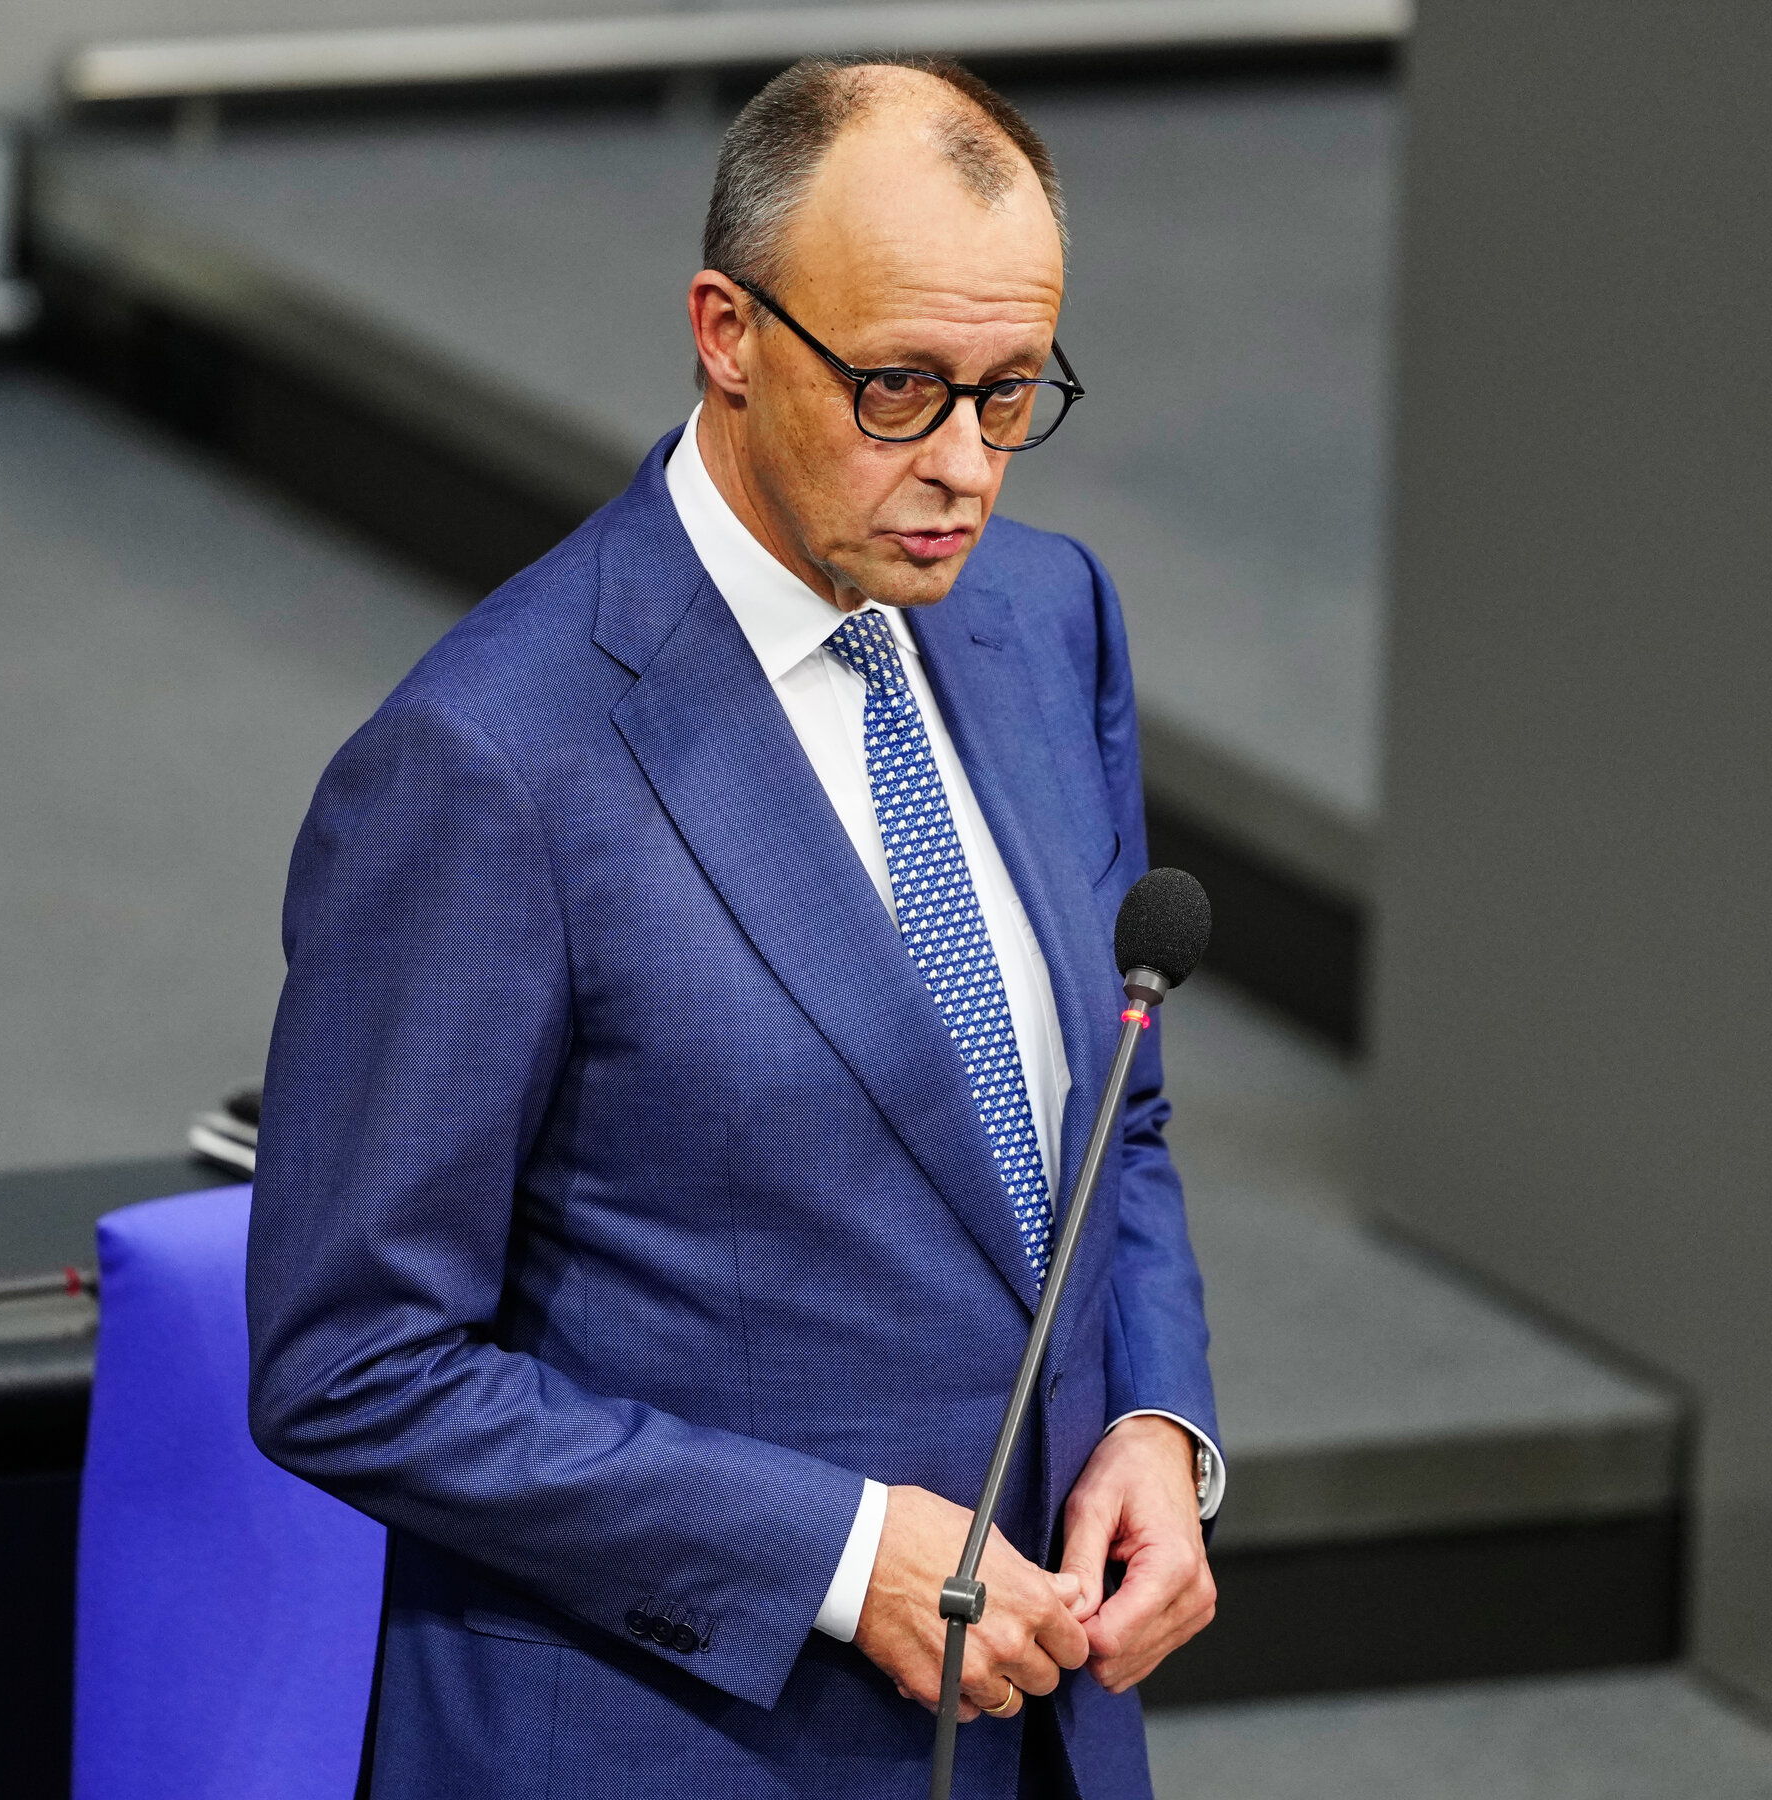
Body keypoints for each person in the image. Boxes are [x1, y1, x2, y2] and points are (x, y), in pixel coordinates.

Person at [248, 55, 1221, 1800]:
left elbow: (1108, 1122)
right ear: (728, 334)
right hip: (673, 1744)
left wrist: (1155, 1418)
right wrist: (840, 1554)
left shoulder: (1048, 616)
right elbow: (356, 1368)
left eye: (1011, 393)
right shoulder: (486, 765)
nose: (964, 468)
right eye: (899, 389)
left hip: (1042, 1726)